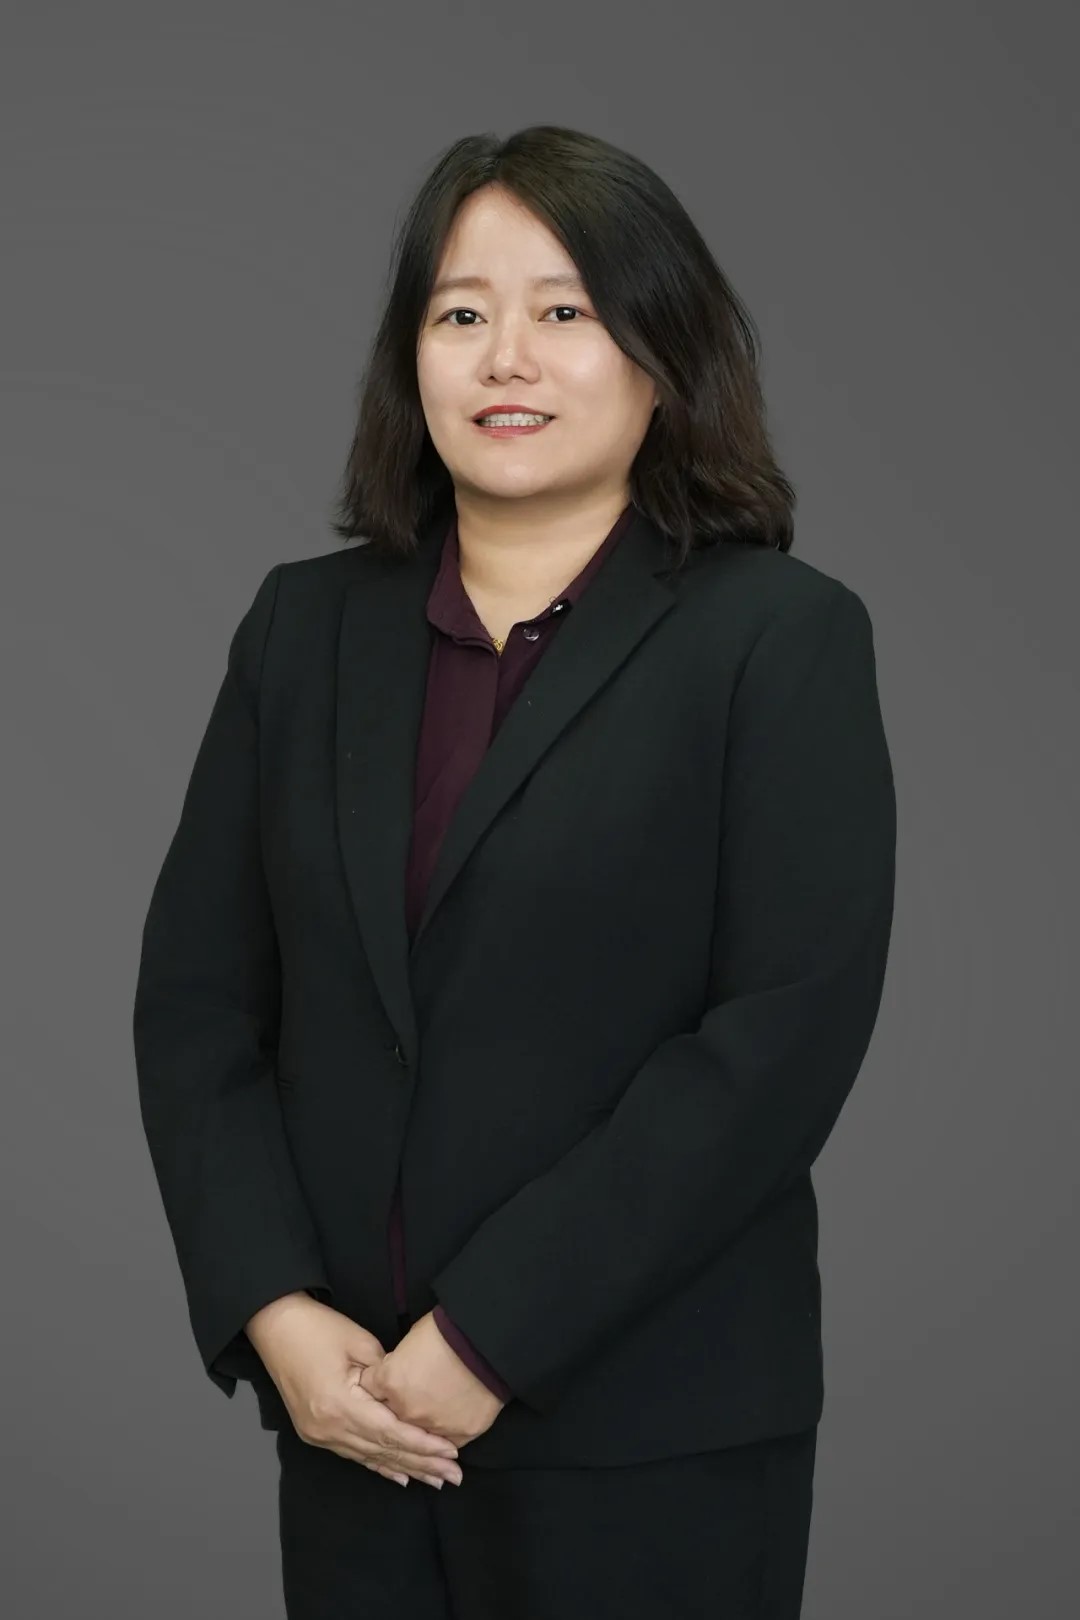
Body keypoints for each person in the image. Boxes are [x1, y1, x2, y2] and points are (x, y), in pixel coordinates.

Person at [132, 122, 896, 1619]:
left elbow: (779, 1039)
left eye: (565, 310)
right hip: (352, 1423)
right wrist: (275, 1311)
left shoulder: (778, 638)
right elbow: (198, 1005)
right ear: (409, 358)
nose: (506, 358)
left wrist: (488, 1336)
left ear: (662, 355)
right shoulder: (301, 630)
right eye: (461, 312)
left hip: (653, 1439)